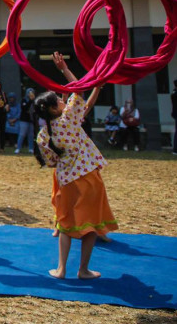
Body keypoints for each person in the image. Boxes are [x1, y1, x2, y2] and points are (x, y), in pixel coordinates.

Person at [35, 51, 116, 280]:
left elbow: (51, 162)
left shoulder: (43, 135)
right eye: (59, 100)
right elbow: (78, 88)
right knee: (89, 223)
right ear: (53, 109)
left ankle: (61, 269)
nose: (63, 100)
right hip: (88, 177)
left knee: (65, 224)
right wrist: (64, 69)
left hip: (66, 181)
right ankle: (83, 269)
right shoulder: (68, 118)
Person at [16, 88, 36, 154]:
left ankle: (31, 148)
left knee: (31, 135)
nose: (30, 94)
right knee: (22, 134)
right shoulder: (24, 100)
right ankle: (18, 148)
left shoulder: (35, 101)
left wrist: (33, 101)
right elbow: (24, 108)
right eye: (29, 93)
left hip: (31, 120)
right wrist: (30, 100)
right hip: (24, 120)